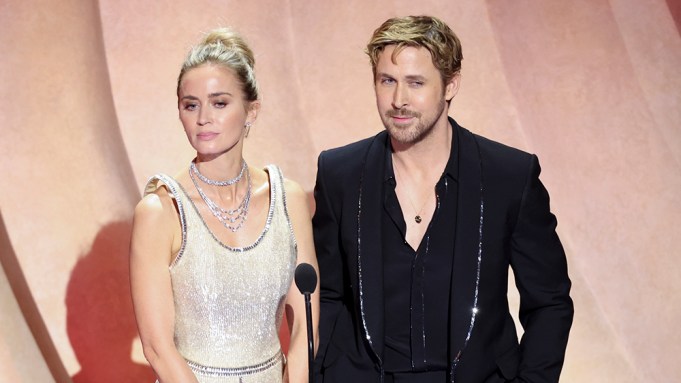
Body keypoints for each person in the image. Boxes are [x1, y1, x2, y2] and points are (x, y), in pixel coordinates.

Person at [312, 15, 573, 383]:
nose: (399, 100)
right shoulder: (339, 173)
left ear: (451, 85)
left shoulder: (509, 176)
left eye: (416, 83)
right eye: (387, 81)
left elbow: (549, 302)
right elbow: (329, 296)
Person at [130, 27, 319, 383]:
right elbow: (156, 346)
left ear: (252, 110)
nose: (203, 118)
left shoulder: (288, 199)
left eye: (219, 103)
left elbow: (305, 329)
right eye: (191, 105)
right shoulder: (160, 211)